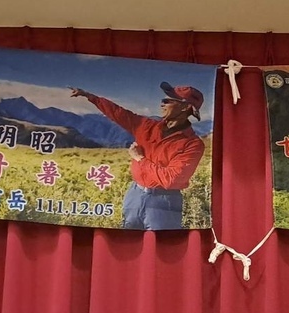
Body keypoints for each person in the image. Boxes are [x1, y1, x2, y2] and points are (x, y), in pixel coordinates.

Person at [70, 82, 205, 230]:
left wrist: (140, 159)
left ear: (185, 107)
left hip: (165, 201)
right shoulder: (146, 126)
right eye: (163, 100)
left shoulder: (193, 144)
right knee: (128, 240)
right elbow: (118, 113)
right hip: (135, 194)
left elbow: (170, 180)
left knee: (160, 242)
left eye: (168, 101)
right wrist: (90, 96)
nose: (162, 104)